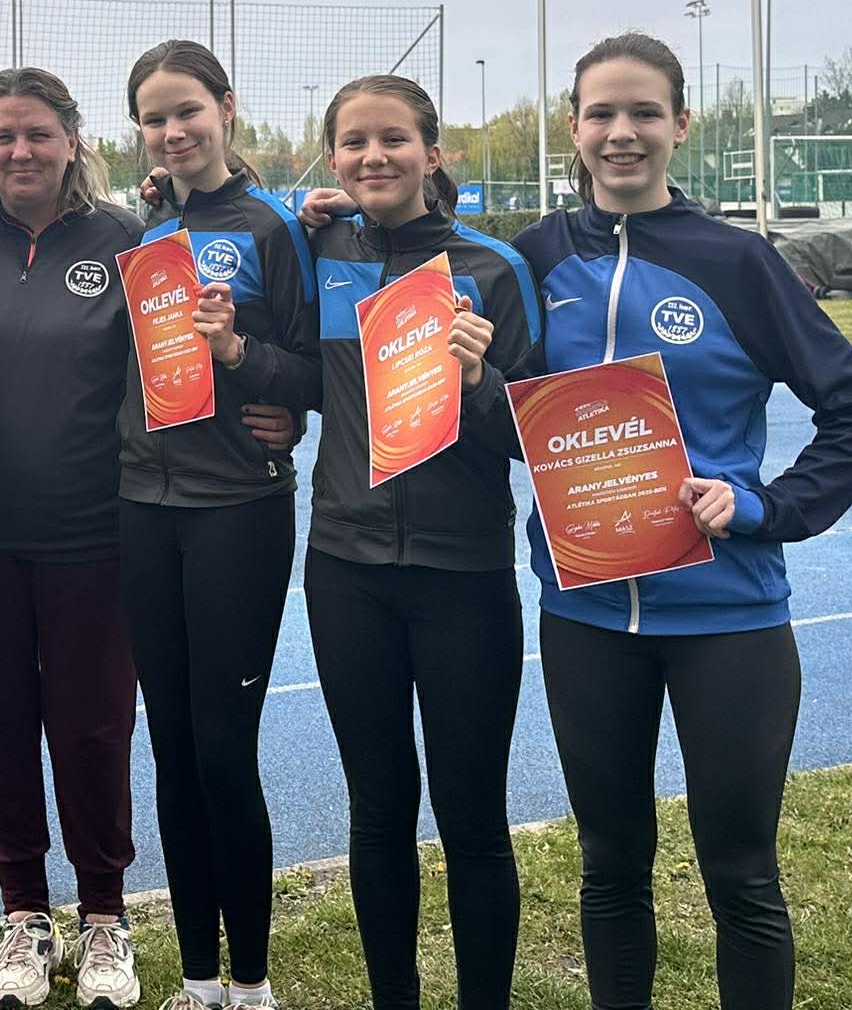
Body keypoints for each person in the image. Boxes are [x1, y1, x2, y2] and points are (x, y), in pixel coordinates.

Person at [0, 66, 298, 1010]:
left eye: (39, 134)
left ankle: (106, 917)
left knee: (93, 729)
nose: (20, 151)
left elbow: (230, 288)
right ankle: (24, 915)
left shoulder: (131, 237)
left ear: (73, 140)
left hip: (101, 530)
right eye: (3, 136)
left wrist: (279, 398)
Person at [515, 32, 852, 1010]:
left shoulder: (735, 261)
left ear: (680, 125)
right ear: (572, 126)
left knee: (741, 876)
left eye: (643, 112)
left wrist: (764, 507)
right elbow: (503, 415)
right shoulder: (535, 257)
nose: (621, 132)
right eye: (601, 113)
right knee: (608, 867)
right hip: (585, 615)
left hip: (728, 618)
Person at [294, 75, 540, 1010]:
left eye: (394, 138)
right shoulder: (321, 250)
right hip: (345, 571)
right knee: (378, 809)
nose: (374, 156)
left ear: (433, 154)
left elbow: (534, 433)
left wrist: (481, 384)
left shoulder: (492, 269)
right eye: (353, 142)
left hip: (462, 575)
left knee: (472, 818)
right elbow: (230, 216)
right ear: (332, 159)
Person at [118, 41, 321, 1010]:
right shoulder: (144, 228)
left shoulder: (275, 228)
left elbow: (316, 375)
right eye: (154, 118)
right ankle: (198, 981)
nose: (172, 131)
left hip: (237, 513)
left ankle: (252, 984)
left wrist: (240, 354)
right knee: (169, 751)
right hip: (140, 512)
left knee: (222, 754)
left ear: (226, 109)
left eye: (186, 111)